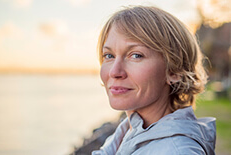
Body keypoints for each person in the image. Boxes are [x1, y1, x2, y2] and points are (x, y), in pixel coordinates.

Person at [92, 6, 216, 155]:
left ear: (174, 71)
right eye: (109, 56)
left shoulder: (177, 151)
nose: (114, 72)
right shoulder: (124, 135)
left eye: (136, 55)